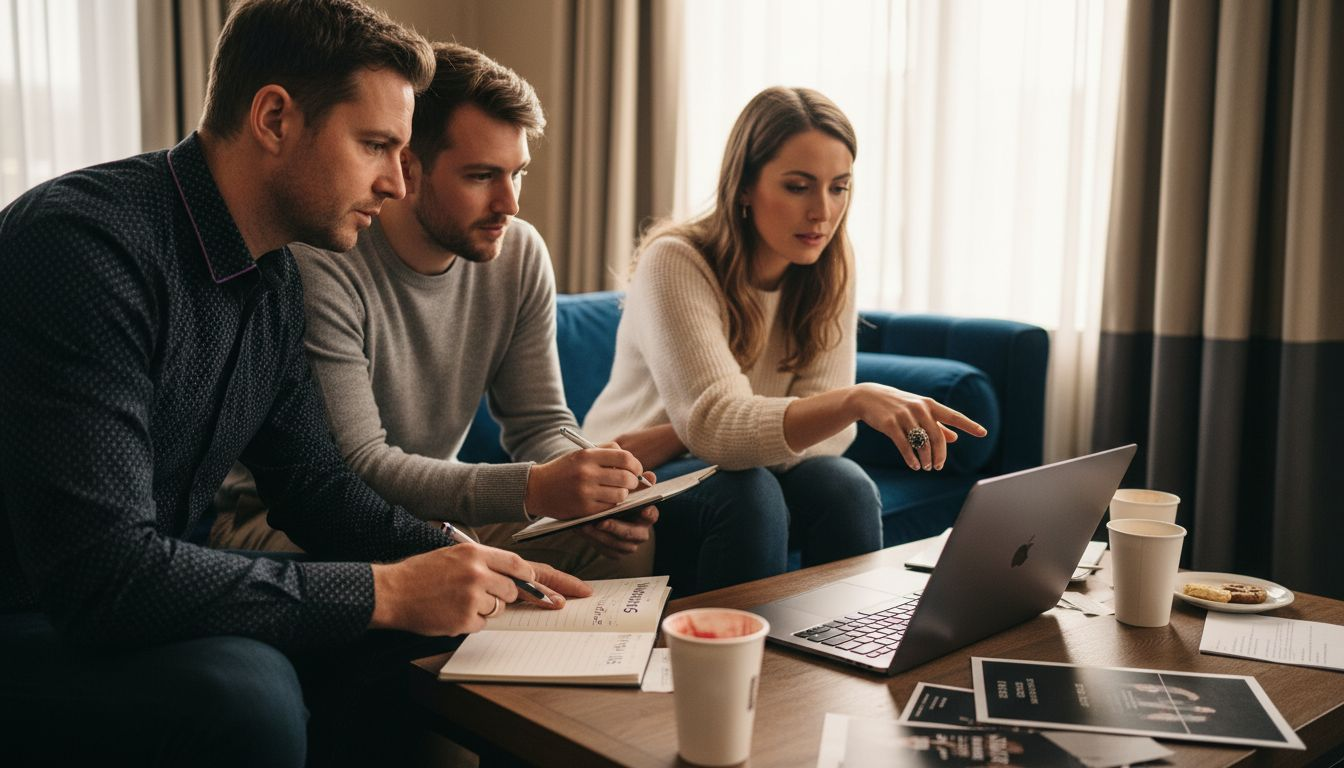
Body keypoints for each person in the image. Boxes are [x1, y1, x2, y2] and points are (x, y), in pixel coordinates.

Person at [0, 2, 587, 764]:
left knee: (440, 641)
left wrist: (460, 555)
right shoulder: (84, 247)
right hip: (37, 611)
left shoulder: (273, 274)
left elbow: (313, 485)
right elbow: (104, 576)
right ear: (274, 117)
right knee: (246, 693)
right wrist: (389, 591)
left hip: (141, 594)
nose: (394, 183)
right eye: (376, 146)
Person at [209, 42, 658, 578]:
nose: (509, 205)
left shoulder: (517, 252)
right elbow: (359, 467)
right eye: (480, 176)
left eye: (517, 173)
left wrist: (592, 484)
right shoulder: (323, 261)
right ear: (409, 168)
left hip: (432, 511)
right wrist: (534, 488)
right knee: (449, 560)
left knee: (619, 543)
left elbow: (539, 422)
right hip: (288, 521)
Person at [583, 87, 988, 592]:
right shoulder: (677, 261)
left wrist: (677, 434)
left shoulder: (828, 264)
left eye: (839, 187)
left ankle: (849, 646)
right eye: (799, 186)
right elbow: (721, 427)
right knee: (748, 493)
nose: (822, 211)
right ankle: (733, 663)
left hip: (675, 451)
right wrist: (851, 400)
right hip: (628, 475)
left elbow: (830, 440)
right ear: (745, 186)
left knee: (844, 485)